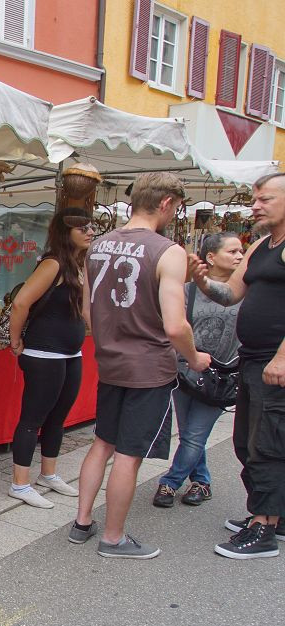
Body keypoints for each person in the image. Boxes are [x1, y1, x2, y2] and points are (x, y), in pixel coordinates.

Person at [68, 172, 210, 559]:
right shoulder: (168, 251)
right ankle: (113, 538)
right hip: (148, 368)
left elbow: (87, 311)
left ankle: (82, 523)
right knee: (128, 454)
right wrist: (195, 358)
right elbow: (176, 324)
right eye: (177, 207)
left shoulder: (97, 247)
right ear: (166, 203)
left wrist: (111, 342)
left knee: (102, 443)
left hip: (111, 363)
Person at [191, 172, 285, 559]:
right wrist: (202, 282)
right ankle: (272, 514)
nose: (255, 206)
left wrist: (282, 357)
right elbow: (230, 294)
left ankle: (264, 528)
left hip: (274, 362)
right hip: (253, 359)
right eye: (256, 199)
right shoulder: (263, 245)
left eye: (264, 199)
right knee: (247, 440)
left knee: (266, 443)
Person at [6, 207, 93, 508]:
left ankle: (49, 474)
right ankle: (19, 483)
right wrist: (15, 340)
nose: (90, 231)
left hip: (71, 353)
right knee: (33, 419)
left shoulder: (78, 265)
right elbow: (20, 303)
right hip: (44, 353)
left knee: (58, 417)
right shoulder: (53, 263)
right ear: (64, 231)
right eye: (82, 228)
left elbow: (84, 311)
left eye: (91, 226)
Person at [152, 233, 243, 509]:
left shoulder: (247, 291)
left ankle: (170, 481)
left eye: (241, 251)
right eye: (233, 251)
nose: (240, 256)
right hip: (185, 372)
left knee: (194, 435)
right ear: (211, 257)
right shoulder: (188, 290)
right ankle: (201, 482)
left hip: (223, 375)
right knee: (191, 431)